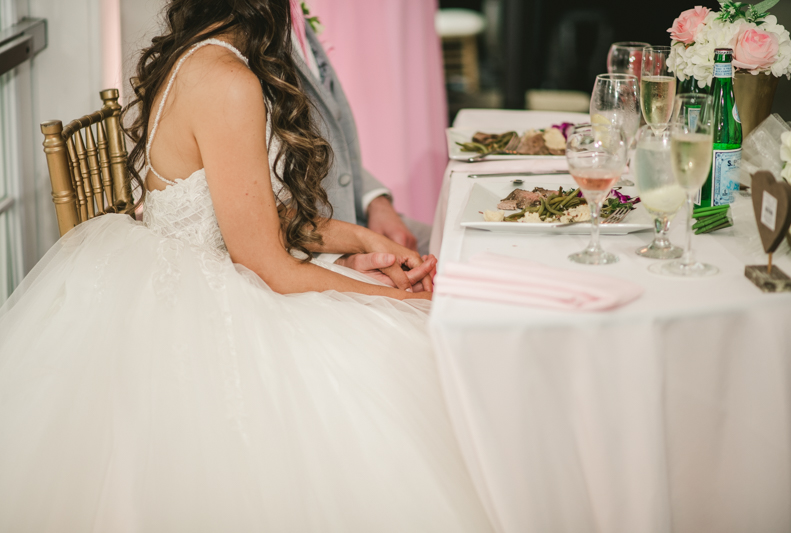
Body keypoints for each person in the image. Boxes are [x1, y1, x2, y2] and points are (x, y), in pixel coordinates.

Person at [0, 1, 493, 530]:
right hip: (201, 306)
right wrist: (402, 300)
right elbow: (267, 266)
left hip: (214, 268)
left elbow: (253, 216)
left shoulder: (204, 54)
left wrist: (367, 238)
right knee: (411, 351)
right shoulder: (227, 80)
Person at [287, 1, 438, 287]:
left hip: (354, 216)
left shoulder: (294, 14)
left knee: (463, 248)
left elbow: (330, 139)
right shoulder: (243, 35)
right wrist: (338, 263)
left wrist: (376, 201)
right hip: (305, 251)